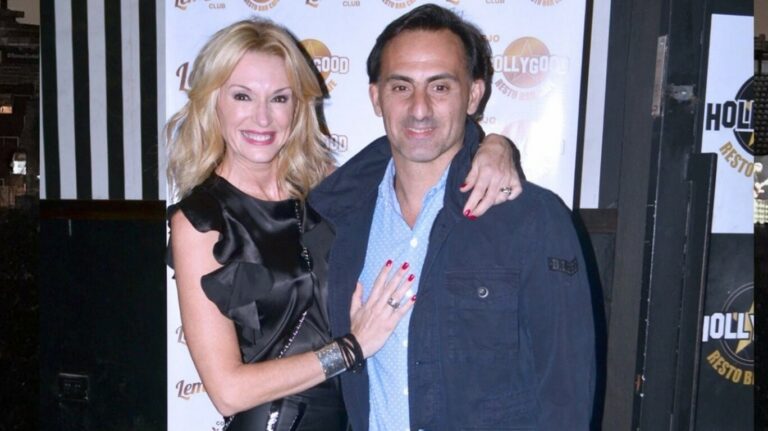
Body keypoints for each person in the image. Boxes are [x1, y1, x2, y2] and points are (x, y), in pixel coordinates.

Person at [166, 18, 522, 431]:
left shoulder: (332, 188)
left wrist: (495, 146)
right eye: (242, 96)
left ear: (298, 107)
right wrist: (351, 347)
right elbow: (228, 391)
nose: (262, 118)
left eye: (279, 98)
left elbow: (423, 144)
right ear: (214, 101)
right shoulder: (200, 222)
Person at [310, 4, 596, 430]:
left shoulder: (532, 219)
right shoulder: (337, 221)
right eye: (401, 87)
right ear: (376, 97)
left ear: (474, 95)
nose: (419, 108)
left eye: (440, 87)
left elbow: (565, 394)